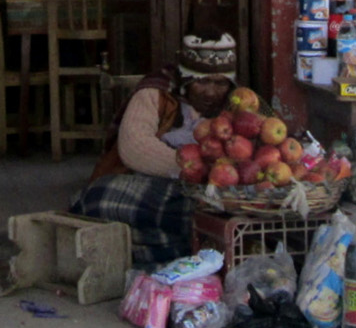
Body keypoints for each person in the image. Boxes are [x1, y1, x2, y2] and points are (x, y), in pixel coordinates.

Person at [69, 64, 233, 267]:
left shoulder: (238, 106)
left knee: (218, 214)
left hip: (216, 198)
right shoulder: (156, 93)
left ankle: (190, 246)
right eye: (202, 81)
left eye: (220, 83)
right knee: (99, 196)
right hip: (165, 188)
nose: (211, 92)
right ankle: (203, 247)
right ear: (186, 79)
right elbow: (135, 149)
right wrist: (192, 169)